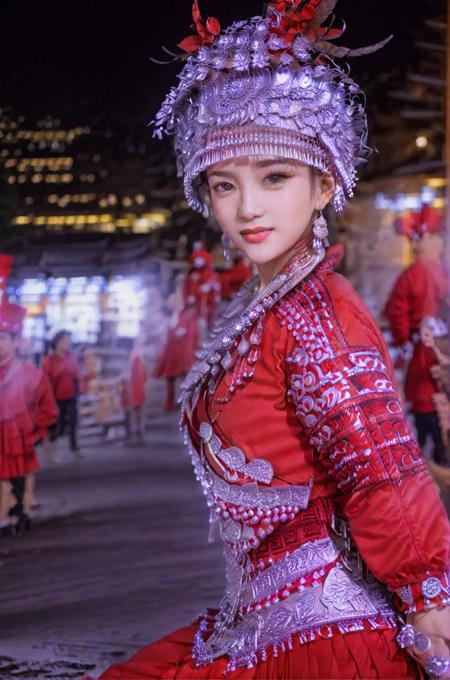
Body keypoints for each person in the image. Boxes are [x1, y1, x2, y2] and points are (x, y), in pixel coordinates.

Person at [101, 2, 450, 679]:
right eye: (225, 186)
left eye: (275, 177)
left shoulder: (318, 311)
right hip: (256, 623)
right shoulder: (260, 309)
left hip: (324, 637)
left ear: (324, 185)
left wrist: (430, 596)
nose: (248, 208)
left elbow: (381, 472)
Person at [385, 203, 448, 465]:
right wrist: (406, 340)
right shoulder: (419, 274)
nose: (438, 243)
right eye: (432, 238)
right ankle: (431, 455)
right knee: (429, 394)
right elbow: (397, 312)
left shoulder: (435, 271)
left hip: (437, 347)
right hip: (428, 350)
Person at [0, 258, 57, 535]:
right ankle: (9, 514)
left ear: (14, 342)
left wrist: (38, 430)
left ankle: (19, 511)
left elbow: (47, 406)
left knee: (18, 477)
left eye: (3, 340)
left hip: (19, 436)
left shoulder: (31, 374)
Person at [154, 287, 200, 412]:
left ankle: (187, 404)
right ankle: (170, 403)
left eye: (172, 302)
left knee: (185, 380)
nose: (170, 304)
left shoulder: (185, 317)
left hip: (181, 354)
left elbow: (190, 334)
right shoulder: (172, 317)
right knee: (170, 380)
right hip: (171, 353)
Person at [43, 330, 81, 455]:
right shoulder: (49, 360)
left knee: (73, 422)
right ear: (57, 343)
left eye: (69, 341)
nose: (68, 343)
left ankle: (74, 448)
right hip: (56, 398)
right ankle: (51, 445)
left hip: (71, 396)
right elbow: (47, 380)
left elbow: (76, 376)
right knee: (57, 426)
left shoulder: (71, 357)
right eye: (65, 341)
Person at [122, 336, 149, 444]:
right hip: (132, 388)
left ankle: (138, 434)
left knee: (138, 412)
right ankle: (132, 434)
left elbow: (144, 375)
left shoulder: (139, 358)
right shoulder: (133, 358)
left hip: (138, 388)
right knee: (132, 411)